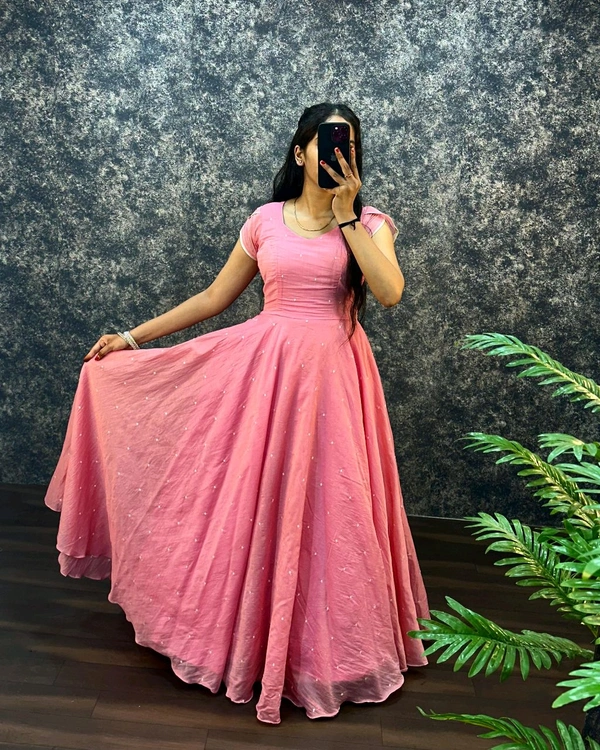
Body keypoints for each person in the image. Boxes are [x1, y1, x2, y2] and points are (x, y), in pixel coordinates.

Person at [45, 102, 430, 725]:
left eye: (350, 144)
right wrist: (132, 338)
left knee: (334, 509)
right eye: (327, 142)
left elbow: (389, 293)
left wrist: (347, 217)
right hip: (265, 376)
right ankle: (239, 638)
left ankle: (325, 655)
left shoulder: (370, 223)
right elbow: (214, 296)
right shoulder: (265, 221)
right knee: (249, 502)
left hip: (335, 381)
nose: (339, 152)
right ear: (300, 152)